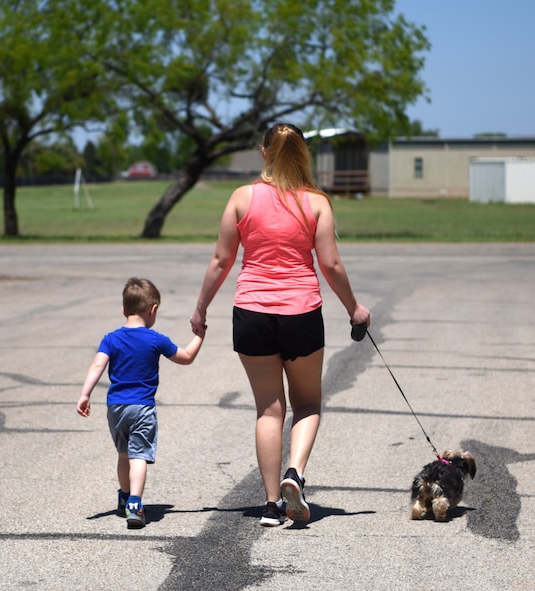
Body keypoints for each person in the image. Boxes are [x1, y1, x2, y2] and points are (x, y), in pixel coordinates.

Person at [189, 123, 371, 527]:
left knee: (269, 410)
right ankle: (295, 474)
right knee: (306, 403)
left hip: (251, 314)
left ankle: (271, 506)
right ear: (303, 154)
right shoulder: (317, 203)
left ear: (264, 152)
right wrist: (354, 308)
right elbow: (331, 264)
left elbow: (221, 261)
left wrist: (201, 308)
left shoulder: (242, 198)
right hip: (301, 313)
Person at [78, 277, 205, 529]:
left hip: (115, 408)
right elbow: (186, 357)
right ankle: (135, 504)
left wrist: (85, 394)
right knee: (139, 456)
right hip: (142, 408)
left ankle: (124, 497)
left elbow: (97, 365)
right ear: (153, 310)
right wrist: (199, 335)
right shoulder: (155, 339)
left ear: (123, 310)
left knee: (124, 453)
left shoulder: (111, 339)